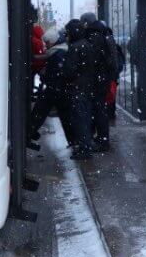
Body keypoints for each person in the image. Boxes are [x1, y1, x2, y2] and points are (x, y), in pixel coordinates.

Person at [62, 18, 103, 159]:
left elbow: (69, 70)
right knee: (85, 118)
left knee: (79, 119)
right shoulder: (88, 45)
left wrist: (65, 70)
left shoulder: (75, 47)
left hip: (77, 88)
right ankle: (86, 146)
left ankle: (84, 149)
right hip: (87, 87)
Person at [84, 20, 118, 151]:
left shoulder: (95, 39)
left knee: (98, 110)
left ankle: (102, 140)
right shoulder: (107, 36)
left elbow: (93, 60)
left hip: (98, 79)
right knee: (101, 108)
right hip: (104, 78)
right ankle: (102, 138)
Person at [29, 29, 67, 139]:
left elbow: (55, 72)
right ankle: (76, 142)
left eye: (47, 42)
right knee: (65, 117)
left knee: (40, 110)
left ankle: (30, 131)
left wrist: (46, 74)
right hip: (57, 88)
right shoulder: (58, 51)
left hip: (54, 87)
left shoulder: (57, 53)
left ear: (52, 41)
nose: (46, 45)